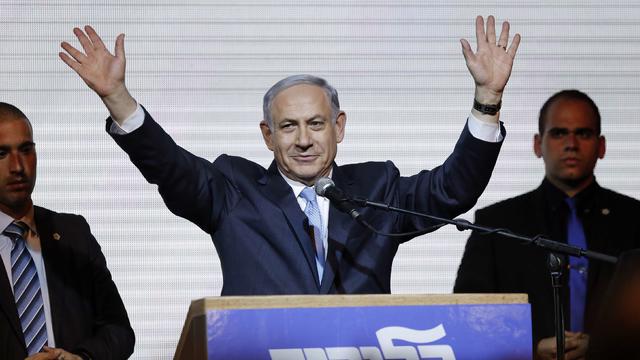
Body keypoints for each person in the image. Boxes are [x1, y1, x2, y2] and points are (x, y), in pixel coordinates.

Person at [58, 16, 520, 296]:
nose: (303, 140)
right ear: (267, 136)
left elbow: (451, 189)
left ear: (338, 128)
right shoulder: (232, 191)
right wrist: (118, 97)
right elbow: (170, 167)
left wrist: (487, 98)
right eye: (288, 126)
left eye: (316, 124)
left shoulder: (376, 189)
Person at [454, 90, 640, 359]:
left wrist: (601, 346)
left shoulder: (634, 220)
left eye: (583, 133)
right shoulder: (497, 223)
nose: (571, 144)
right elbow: (467, 316)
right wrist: (530, 349)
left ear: (601, 147)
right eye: (559, 133)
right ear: (537, 145)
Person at [0, 103, 135, 359]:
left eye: (26, 150)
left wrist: (81, 358)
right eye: (1, 153)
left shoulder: (73, 234)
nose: (18, 166)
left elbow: (119, 331)